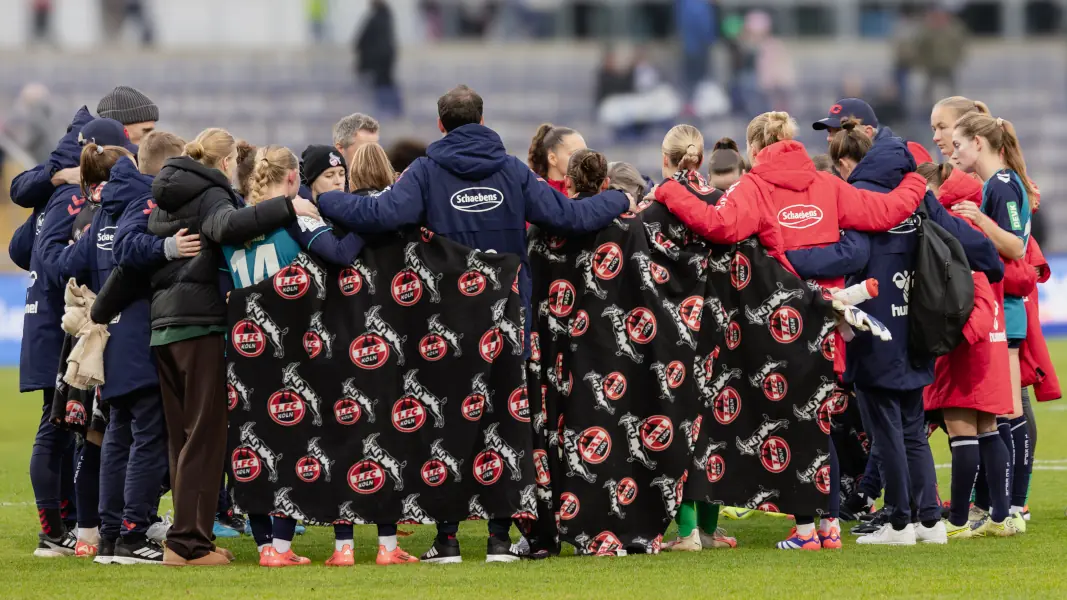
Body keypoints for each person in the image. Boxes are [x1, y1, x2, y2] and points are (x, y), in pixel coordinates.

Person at [316, 84, 632, 563]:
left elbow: (380, 213)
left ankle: (446, 541)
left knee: (444, 425)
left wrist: (322, 201)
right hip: (507, 321)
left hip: (443, 322)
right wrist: (619, 200)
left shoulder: (426, 171)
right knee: (504, 423)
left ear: (441, 125)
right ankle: (500, 540)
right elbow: (568, 216)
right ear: (483, 122)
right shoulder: (510, 171)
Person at [655, 111, 927, 550]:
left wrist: (670, 191)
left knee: (792, 424)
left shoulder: (754, 187)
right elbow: (885, 212)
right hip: (829, 318)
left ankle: (805, 530)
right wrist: (916, 180)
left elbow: (720, 228)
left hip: (778, 320)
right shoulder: (828, 183)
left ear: (756, 148)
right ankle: (829, 527)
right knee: (821, 423)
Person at [790, 117, 1002, 547]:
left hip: (874, 330)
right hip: (917, 330)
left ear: (851, 162)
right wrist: (992, 262)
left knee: (886, 431)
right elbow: (959, 236)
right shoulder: (916, 196)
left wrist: (793, 261)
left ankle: (901, 523)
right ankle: (929, 521)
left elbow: (850, 254)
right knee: (910, 429)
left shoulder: (860, 201)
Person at [146, 128, 319, 566]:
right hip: (199, 326)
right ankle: (187, 545)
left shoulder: (166, 198)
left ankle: (189, 539)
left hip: (163, 326)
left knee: (183, 439)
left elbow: (138, 257)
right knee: (205, 439)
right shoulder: (210, 194)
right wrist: (286, 207)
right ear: (225, 164)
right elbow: (225, 226)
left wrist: (100, 309)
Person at [16, 111, 119, 557]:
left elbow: (20, 248)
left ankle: (68, 525)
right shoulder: (72, 199)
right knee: (57, 427)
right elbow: (46, 256)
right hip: (60, 325)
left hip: (49, 322)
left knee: (66, 427)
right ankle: (54, 532)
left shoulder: (56, 194)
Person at [918, 161, 1016, 539]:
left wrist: (950, 340)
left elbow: (968, 295)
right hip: (990, 344)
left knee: (962, 433)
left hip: (967, 349)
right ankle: (1000, 516)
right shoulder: (977, 230)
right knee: (989, 429)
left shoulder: (952, 232)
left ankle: (958, 520)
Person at [949, 112, 1034, 534]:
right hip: (1000, 309)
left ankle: (1010, 510)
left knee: (1005, 412)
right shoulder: (997, 186)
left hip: (1002, 312)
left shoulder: (1000, 186)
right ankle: (1001, 512)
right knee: (997, 413)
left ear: (979, 143)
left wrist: (979, 221)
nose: (955, 151)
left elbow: (1016, 246)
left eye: (959, 144)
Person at [354, 0, 401, 117]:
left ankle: (386, 112)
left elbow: (360, 41)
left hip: (378, 61)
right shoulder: (386, 17)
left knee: (382, 86)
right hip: (385, 59)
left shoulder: (375, 19)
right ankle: (391, 111)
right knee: (386, 84)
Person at [914, 7, 967, 109]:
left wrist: (958, 58)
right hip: (932, 64)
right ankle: (925, 107)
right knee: (929, 87)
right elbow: (921, 45)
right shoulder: (929, 30)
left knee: (951, 86)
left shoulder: (953, 29)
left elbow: (960, 44)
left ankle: (956, 106)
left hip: (948, 63)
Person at [527, 123, 587, 194]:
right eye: (575, 154)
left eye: (586, 153)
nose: (584, 159)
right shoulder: (535, 194)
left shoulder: (593, 192)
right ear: (552, 159)